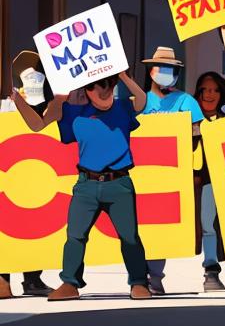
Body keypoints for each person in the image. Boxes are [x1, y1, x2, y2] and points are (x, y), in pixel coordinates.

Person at [10, 69, 151, 301]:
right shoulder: (73, 112)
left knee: (129, 237)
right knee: (75, 236)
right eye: (98, 87)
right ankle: (70, 283)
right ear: (87, 90)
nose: (104, 92)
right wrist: (17, 98)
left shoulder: (123, 107)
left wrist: (124, 76)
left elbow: (143, 101)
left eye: (109, 86)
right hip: (86, 185)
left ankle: (139, 282)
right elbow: (37, 125)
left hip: (119, 184)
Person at [139, 47, 204, 295]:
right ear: (151, 71)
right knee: (140, 225)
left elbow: (198, 134)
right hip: (142, 171)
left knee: (161, 226)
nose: (168, 74)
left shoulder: (187, 101)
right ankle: (139, 275)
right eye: (163, 69)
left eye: (172, 70)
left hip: (173, 174)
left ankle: (154, 277)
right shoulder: (140, 101)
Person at [0, 51, 55, 298]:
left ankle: (33, 278)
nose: (33, 81)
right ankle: (3, 278)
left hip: (37, 174)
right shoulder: (6, 104)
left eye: (37, 76)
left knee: (35, 225)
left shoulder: (47, 104)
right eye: (28, 76)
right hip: (10, 174)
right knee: (6, 224)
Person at [193, 72, 225, 291]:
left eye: (215, 90)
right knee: (208, 225)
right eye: (205, 89)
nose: (209, 94)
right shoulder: (190, 121)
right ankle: (211, 271)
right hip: (205, 181)